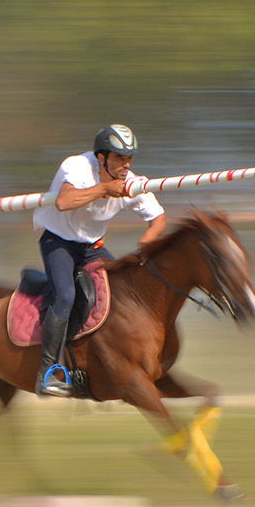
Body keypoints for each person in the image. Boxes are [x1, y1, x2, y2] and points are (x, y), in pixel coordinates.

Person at [33, 123, 167, 396]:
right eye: (119, 158)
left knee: (124, 291)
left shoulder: (132, 182)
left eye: (129, 158)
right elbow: (64, 202)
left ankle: (118, 359)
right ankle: (47, 373)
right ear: (101, 157)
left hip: (92, 248)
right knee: (66, 297)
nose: (125, 165)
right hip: (59, 243)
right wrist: (105, 188)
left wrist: (150, 238)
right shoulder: (76, 166)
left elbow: (159, 218)